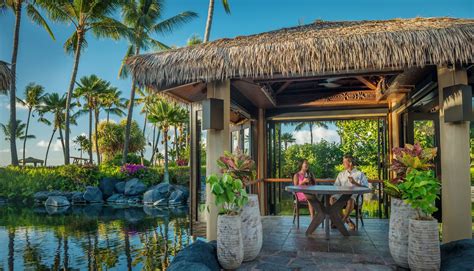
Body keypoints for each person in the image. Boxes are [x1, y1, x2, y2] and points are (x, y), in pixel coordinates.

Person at [330, 154, 368, 230]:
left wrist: (355, 183)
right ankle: (348, 222)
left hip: (355, 197)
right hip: (341, 195)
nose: (343, 164)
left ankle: (341, 222)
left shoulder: (360, 174)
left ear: (350, 163)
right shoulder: (341, 174)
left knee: (350, 199)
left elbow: (366, 187)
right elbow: (335, 187)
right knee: (332, 199)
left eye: (344, 162)